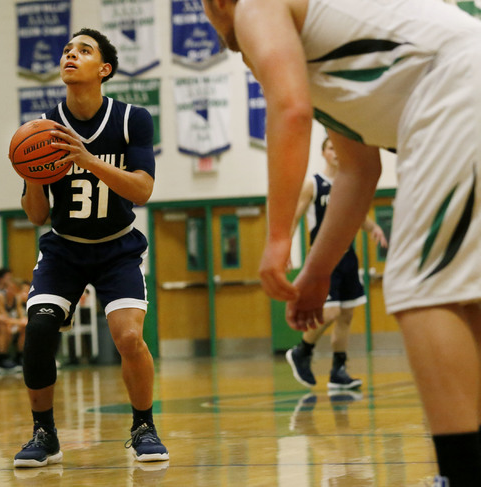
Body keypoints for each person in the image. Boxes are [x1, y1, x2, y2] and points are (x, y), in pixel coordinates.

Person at [202, 0, 481, 485]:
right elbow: (358, 170)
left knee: (421, 285)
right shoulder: (327, 60)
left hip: (454, 85)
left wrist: (276, 240)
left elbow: (290, 112)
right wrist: (314, 271)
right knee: (462, 289)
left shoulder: (252, 4)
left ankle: (461, 473)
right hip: (462, 81)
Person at [14, 28, 168, 468]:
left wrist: (86, 159)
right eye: (66, 50)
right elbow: (36, 215)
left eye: (83, 51)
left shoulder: (131, 119)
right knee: (39, 332)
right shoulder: (42, 128)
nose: (70, 55)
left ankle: (143, 426)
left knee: (129, 336)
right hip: (64, 247)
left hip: (117, 247)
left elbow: (142, 191)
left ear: (105, 70)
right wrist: (33, 178)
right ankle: (44, 434)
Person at [286, 137, 388, 390]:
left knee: (345, 314)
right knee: (329, 312)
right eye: (331, 148)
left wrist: (373, 227)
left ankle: (338, 370)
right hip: (323, 258)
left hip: (347, 258)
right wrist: (284, 248)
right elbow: (294, 217)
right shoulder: (313, 185)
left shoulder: (348, 184)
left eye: (338, 148)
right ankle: (301, 351)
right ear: (323, 153)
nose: (336, 152)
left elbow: (358, 216)